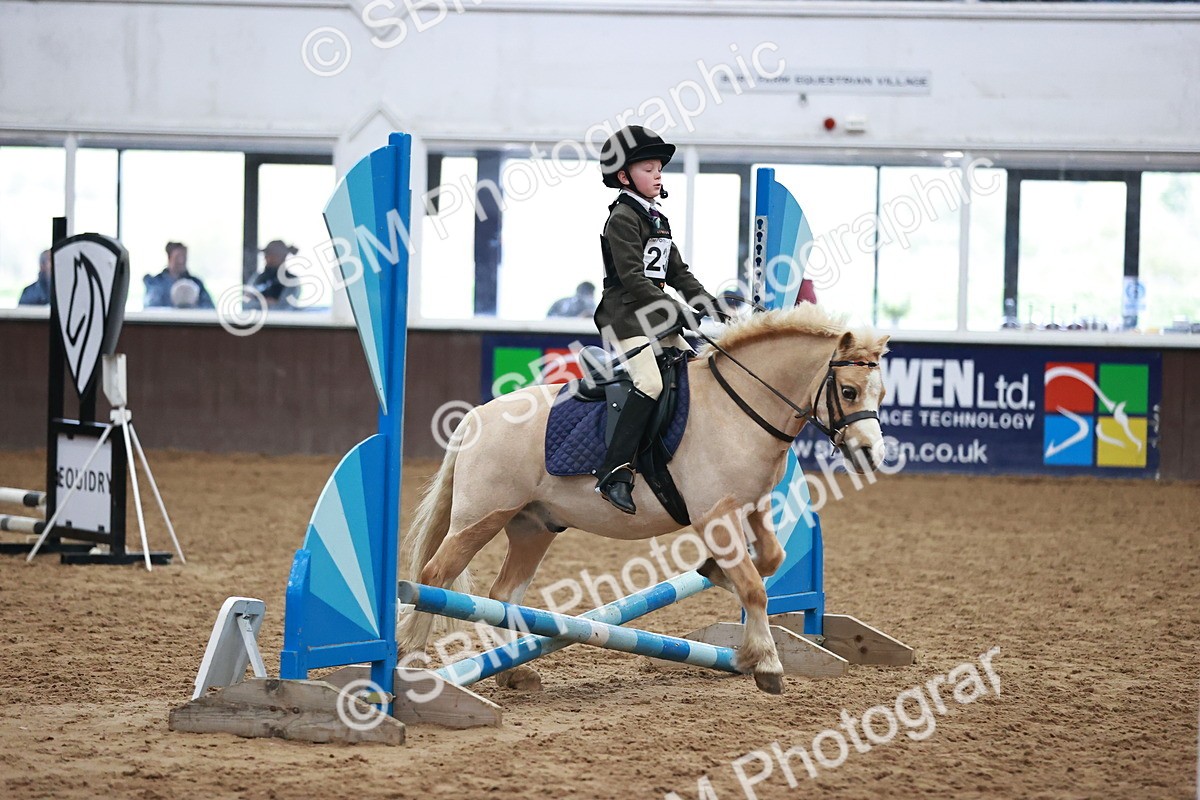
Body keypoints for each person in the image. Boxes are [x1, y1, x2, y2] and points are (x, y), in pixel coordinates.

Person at [591, 125, 724, 515]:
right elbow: (634, 279)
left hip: (654, 317)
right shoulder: (622, 218)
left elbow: (678, 273)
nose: (658, 175)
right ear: (624, 176)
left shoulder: (657, 219)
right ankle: (614, 472)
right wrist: (677, 311)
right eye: (648, 169)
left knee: (696, 372)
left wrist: (710, 305)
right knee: (649, 382)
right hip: (626, 318)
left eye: (659, 169)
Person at [143, 242, 214, 309]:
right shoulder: (156, 283)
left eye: (184, 257)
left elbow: (209, 308)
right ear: (169, 258)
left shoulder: (196, 283)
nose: (181, 261)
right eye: (177, 257)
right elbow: (151, 307)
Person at [249, 240, 299, 308]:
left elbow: (284, 307)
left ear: (282, 257)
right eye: (266, 254)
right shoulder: (258, 278)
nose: (266, 257)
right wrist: (266, 303)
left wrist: (262, 303)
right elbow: (246, 302)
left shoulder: (291, 280)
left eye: (271, 254)